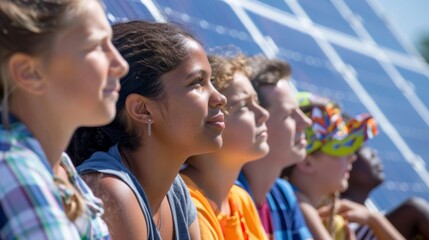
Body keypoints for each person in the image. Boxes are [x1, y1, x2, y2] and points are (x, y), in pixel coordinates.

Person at [67, 20, 227, 239]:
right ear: (142, 109)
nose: (220, 98)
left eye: (211, 81)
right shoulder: (110, 193)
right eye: (197, 82)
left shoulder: (176, 191)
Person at [0, 0, 129, 239]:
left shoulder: (58, 166)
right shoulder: (13, 170)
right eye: (96, 46)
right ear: (30, 72)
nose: (120, 65)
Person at [282, 92, 403, 240]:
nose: (352, 157)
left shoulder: (335, 223)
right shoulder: (298, 202)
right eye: (341, 149)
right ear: (307, 163)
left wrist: (374, 219)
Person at [180, 52, 269, 240]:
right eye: (244, 105)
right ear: (212, 120)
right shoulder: (189, 202)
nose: (263, 114)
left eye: (257, 102)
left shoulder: (240, 199)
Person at [235, 56, 313, 239]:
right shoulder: (226, 197)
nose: (306, 122)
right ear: (258, 121)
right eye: (289, 114)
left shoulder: (282, 194)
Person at [341, 145, 429, 240]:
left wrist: (374, 219)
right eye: (361, 148)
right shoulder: (337, 216)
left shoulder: (370, 218)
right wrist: (374, 219)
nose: (374, 153)